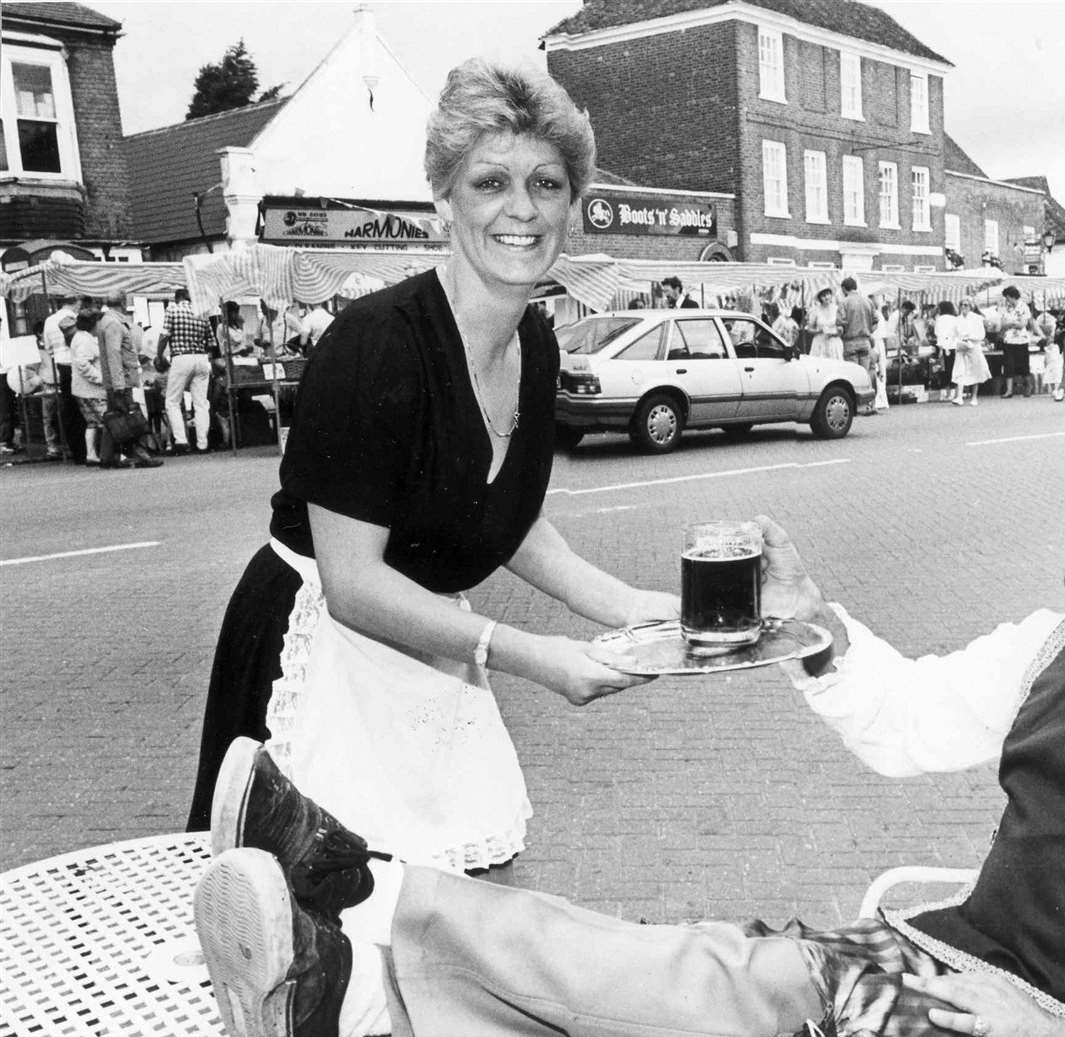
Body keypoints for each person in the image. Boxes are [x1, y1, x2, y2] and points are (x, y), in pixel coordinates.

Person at [196, 370, 1065, 1037]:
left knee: (717, 989)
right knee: (697, 986)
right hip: (938, 966)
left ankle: (365, 916)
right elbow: (906, 720)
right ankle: (353, 967)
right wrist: (814, 623)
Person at [184, 59, 680, 870]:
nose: (522, 210)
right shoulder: (378, 344)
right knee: (314, 931)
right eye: (490, 183)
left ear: (572, 205)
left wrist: (631, 606)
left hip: (430, 636)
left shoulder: (537, 340)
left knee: (449, 907)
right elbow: (352, 584)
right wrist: (533, 656)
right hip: (321, 643)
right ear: (444, 200)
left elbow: (500, 517)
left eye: (547, 185)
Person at [96, 292, 161, 469]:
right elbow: (114, 353)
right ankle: (142, 455)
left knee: (114, 417)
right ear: (123, 303)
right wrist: (118, 383)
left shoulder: (107, 321)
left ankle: (107, 456)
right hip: (122, 379)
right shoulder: (114, 323)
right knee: (131, 417)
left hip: (116, 379)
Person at [158, 289, 216, 455]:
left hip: (181, 358)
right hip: (201, 358)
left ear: (177, 298)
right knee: (201, 403)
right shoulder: (202, 312)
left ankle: (181, 441)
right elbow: (211, 342)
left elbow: (164, 336)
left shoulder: (172, 309)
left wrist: (159, 354)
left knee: (172, 401)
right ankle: (202, 443)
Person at [37, 295, 80, 460]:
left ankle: (73, 447)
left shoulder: (49, 321)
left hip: (61, 366)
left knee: (68, 407)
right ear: (75, 303)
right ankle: (85, 447)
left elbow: (48, 347)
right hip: (75, 363)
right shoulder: (74, 318)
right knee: (81, 407)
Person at [68, 308, 106, 466]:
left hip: (81, 389)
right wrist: (99, 378)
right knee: (105, 420)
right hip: (91, 389)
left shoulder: (79, 337)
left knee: (92, 423)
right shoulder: (85, 340)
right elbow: (83, 363)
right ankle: (108, 453)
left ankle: (91, 453)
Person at [838, 277, 879, 411]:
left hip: (850, 342)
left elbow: (840, 326)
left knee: (853, 376)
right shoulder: (867, 301)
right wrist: (866, 330)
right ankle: (868, 405)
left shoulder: (844, 302)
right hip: (865, 342)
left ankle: (856, 406)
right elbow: (875, 322)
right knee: (865, 375)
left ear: (844, 288)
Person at [996, 285, 1039, 398]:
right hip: (1008, 340)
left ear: (1012, 296)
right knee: (1008, 365)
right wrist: (1012, 323)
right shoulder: (1005, 308)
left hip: (1021, 340)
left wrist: (1010, 323)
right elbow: (1003, 324)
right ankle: (1009, 390)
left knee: (1023, 365)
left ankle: (1028, 387)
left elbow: (1022, 325)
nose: (1007, 300)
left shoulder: (1023, 307)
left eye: (1007, 297)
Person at [952, 295, 989, 406]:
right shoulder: (957, 320)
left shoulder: (977, 318)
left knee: (975, 372)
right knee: (960, 371)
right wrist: (957, 342)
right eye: (961, 305)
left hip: (974, 346)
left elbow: (981, 334)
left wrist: (970, 337)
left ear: (971, 306)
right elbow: (953, 334)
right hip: (961, 347)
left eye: (966, 305)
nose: (963, 307)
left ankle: (974, 397)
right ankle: (959, 397)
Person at [807, 287, 843, 361]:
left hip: (834, 342)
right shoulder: (815, 310)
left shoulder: (836, 309)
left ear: (831, 295)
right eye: (823, 296)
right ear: (820, 298)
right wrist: (818, 331)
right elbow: (809, 329)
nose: (826, 297)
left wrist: (838, 332)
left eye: (828, 294)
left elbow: (841, 328)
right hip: (819, 342)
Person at [933, 299, 959, 400]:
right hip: (954, 346)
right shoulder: (955, 318)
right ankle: (955, 392)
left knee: (944, 370)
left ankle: (947, 393)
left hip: (943, 347)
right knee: (954, 369)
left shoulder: (939, 319)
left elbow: (937, 333)